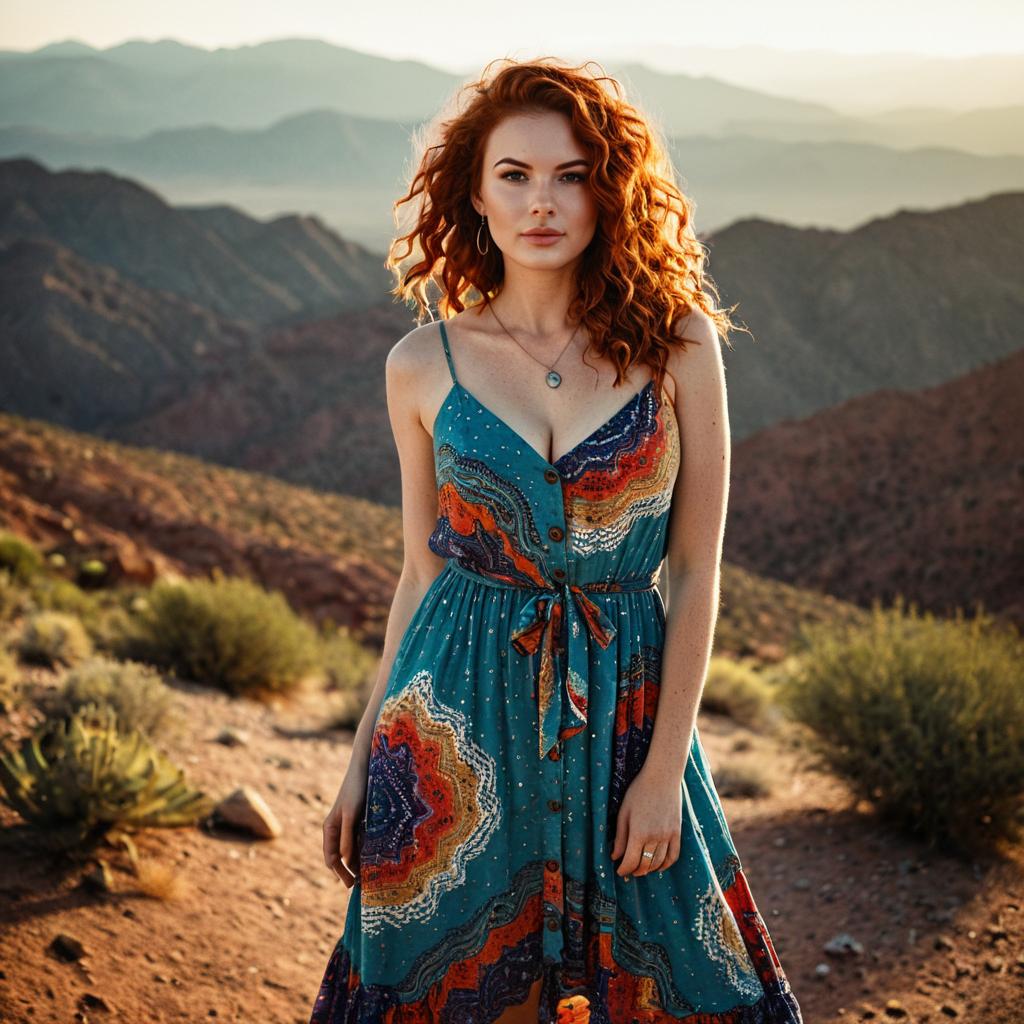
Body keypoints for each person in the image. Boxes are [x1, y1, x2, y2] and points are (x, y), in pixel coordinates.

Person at [309, 57, 804, 1024]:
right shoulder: (422, 364)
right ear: (476, 195)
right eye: (515, 175)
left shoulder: (680, 344)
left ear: (607, 190)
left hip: (629, 718)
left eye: (571, 175)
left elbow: (697, 570)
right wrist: (365, 755)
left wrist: (664, 773)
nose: (544, 202)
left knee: (682, 981)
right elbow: (420, 573)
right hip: (451, 735)